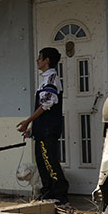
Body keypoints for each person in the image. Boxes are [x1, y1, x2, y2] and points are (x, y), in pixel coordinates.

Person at [16, 47, 69, 205]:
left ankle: (60, 196)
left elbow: (46, 104)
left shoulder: (52, 79)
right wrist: (33, 127)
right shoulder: (45, 79)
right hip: (42, 130)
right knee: (42, 163)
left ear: (47, 60)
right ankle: (48, 194)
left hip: (48, 130)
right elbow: (42, 109)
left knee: (50, 162)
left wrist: (27, 121)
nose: (37, 61)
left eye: (40, 58)